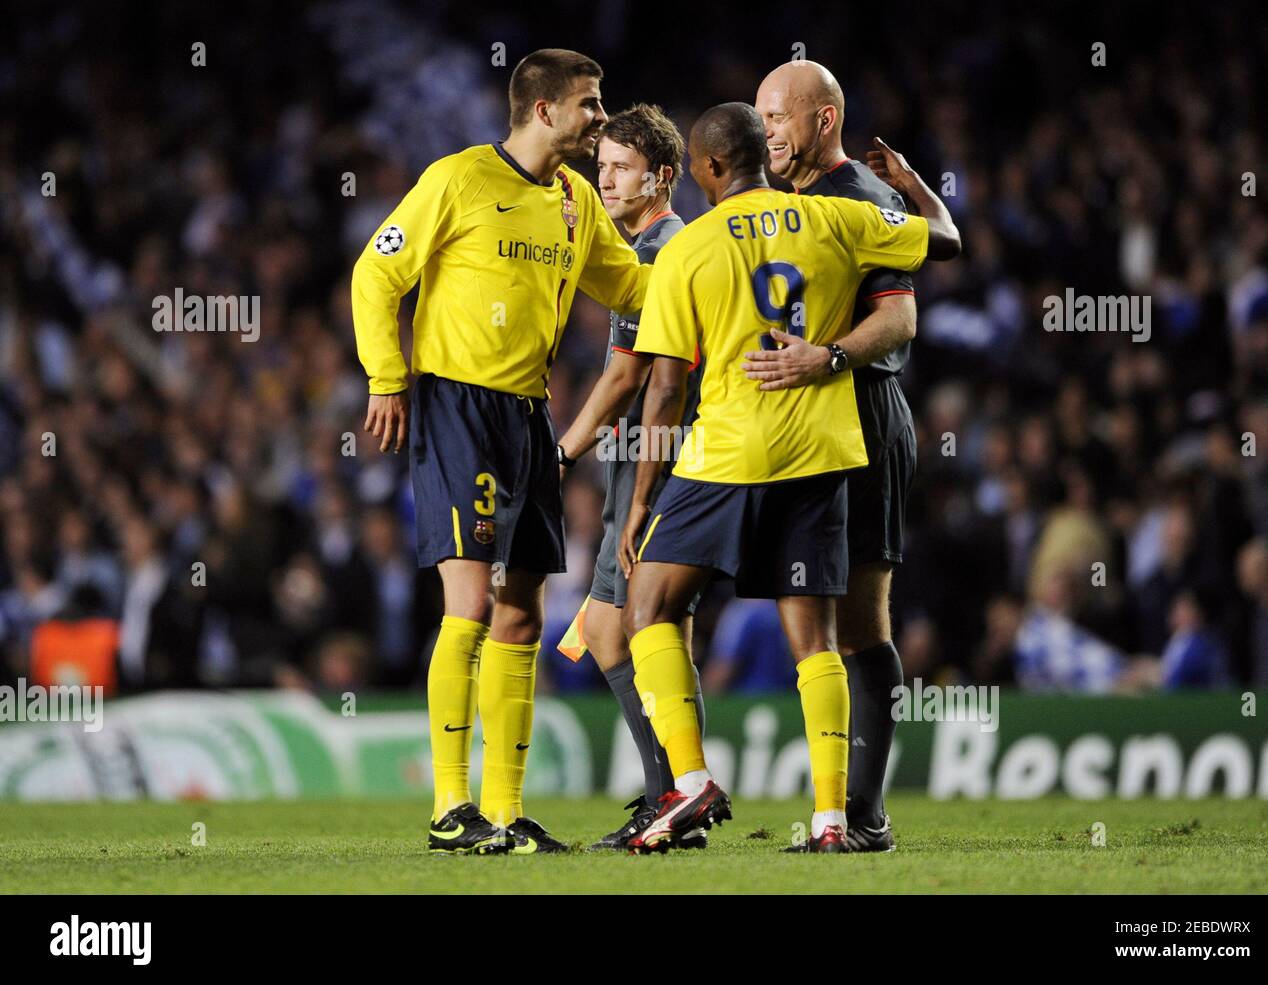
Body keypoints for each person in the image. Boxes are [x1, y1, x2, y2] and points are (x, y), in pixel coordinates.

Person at [617, 102, 959, 853]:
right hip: (823, 452)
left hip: (728, 456)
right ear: (763, 160)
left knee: (647, 607)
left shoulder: (689, 247)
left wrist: (642, 497)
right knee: (817, 641)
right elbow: (944, 240)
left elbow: (667, 388)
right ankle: (834, 822)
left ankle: (692, 778)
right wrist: (917, 190)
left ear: (707, 168)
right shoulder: (834, 217)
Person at [351, 49, 651, 855]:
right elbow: (374, 276)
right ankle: (452, 806)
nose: (600, 119)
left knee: (522, 611)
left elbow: (632, 286)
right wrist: (387, 379)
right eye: (589, 104)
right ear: (544, 108)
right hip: (455, 402)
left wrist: (711, 269)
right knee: (470, 604)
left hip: (528, 416)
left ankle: (505, 813)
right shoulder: (456, 180)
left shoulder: (574, 201)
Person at [746, 60, 920, 851]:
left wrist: (830, 358)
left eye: (778, 116)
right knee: (811, 622)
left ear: (823, 120)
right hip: (801, 426)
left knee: (859, 621)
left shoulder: (863, 199)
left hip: (861, 412)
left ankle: (866, 812)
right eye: (759, 118)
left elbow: (900, 317)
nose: (766, 131)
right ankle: (835, 807)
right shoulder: (783, 202)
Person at [551, 104, 710, 850]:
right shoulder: (653, 244)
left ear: (662, 176)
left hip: (659, 462)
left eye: (618, 167)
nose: (602, 178)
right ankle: (669, 795)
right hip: (644, 461)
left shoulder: (658, 252)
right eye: (601, 164)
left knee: (637, 629)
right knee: (618, 632)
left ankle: (677, 794)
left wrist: (558, 453)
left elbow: (625, 379)